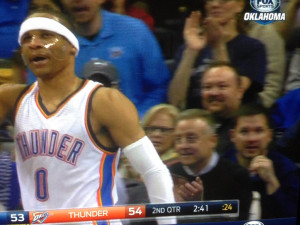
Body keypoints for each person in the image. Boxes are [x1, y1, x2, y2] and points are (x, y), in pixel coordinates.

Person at [0, 11, 176, 225]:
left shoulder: (104, 101)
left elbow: (153, 171)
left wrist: (168, 223)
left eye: (46, 35)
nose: (34, 43)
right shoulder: (10, 98)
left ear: (72, 46)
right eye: (26, 38)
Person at [49, 0, 170, 118]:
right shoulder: (52, 41)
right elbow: (43, 95)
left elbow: (158, 88)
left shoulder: (135, 31)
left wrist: (136, 121)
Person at [168, 1, 266, 109]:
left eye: (223, 1)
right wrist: (191, 50)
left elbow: (233, 97)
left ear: (240, 6)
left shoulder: (252, 48)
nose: (214, 4)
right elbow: (175, 101)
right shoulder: (189, 47)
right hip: (194, 119)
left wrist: (218, 45)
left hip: (232, 120)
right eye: (210, 1)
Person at [169, 109, 252, 221]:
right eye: (178, 139)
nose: (183, 146)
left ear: (213, 140)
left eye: (191, 138)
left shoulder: (236, 176)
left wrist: (199, 208)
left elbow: (239, 221)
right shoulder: (169, 174)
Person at [226, 104, 299, 219]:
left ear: (269, 135)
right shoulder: (220, 166)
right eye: (244, 131)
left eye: (259, 131)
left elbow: (292, 217)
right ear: (232, 135)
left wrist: (273, 183)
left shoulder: (287, 169)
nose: (252, 139)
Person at [200, 62, 245, 155]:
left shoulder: (249, 129)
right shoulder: (195, 127)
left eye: (222, 86)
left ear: (239, 92)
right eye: (208, 87)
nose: (214, 93)